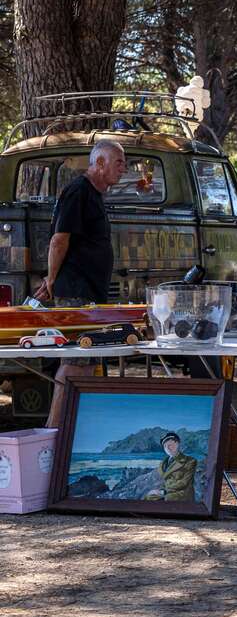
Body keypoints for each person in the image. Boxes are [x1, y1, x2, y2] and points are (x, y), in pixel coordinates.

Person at [33, 139, 127, 428]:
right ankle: (55, 431)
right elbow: (59, 240)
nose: (124, 169)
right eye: (119, 162)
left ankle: (79, 431)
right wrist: (51, 278)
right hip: (76, 291)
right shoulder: (78, 191)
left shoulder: (95, 195)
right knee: (75, 360)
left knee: (88, 361)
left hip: (90, 292)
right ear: (99, 163)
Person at [147, 432, 198, 502]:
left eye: (170, 445)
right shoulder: (163, 464)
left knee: (157, 500)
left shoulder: (190, 461)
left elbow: (184, 483)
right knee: (149, 497)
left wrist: (163, 492)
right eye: (165, 446)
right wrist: (159, 491)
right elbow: (165, 482)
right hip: (169, 493)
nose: (167, 448)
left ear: (177, 444)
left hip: (182, 495)